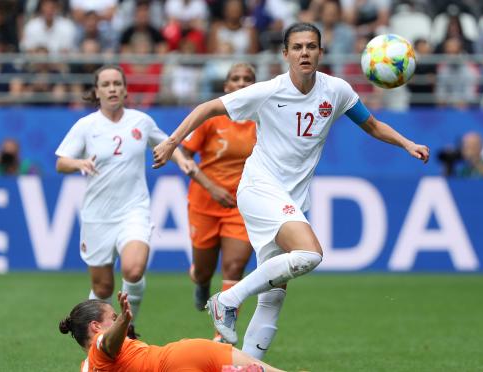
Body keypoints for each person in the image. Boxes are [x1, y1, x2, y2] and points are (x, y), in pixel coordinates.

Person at [152, 22, 430, 358]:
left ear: (320, 53)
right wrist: (171, 143)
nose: (304, 53)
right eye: (297, 47)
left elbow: (371, 124)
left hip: (291, 197)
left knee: (274, 296)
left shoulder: (336, 90)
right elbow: (207, 108)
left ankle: (246, 366)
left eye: (311, 46)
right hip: (259, 189)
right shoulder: (268, 90)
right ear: (285, 54)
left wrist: (407, 143)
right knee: (310, 254)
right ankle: (226, 299)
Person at [55, 65, 195, 339]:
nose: (112, 89)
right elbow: (61, 163)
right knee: (103, 288)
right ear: (97, 91)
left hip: (134, 210)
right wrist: (79, 162)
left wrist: (182, 161)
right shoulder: (86, 126)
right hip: (98, 216)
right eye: (106, 84)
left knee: (133, 268)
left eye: (117, 83)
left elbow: (166, 143)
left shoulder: (140, 121)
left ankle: (126, 331)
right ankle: (94, 341)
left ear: (125, 89)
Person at [181, 63, 256, 332]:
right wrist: (211, 187)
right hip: (205, 203)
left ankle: (221, 335)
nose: (241, 83)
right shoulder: (211, 117)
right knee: (203, 271)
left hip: (242, 205)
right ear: (226, 87)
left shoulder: (264, 120)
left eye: (247, 79)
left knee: (234, 268)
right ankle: (201, 283)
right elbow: (185, 156)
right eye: (235, 79)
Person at [59, 291, 284, 371]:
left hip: (180, 361)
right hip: (191, 351)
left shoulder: (92, 361)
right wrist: (125, 320)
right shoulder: (98, 352)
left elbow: (108, 343)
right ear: (95, 326)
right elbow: (108, 343)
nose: (118, 321)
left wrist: (122, 322)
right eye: (113, 318)